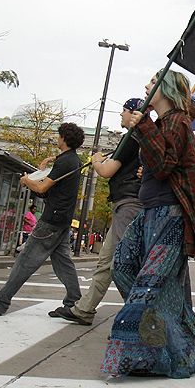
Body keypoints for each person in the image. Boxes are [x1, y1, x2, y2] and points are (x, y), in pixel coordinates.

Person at [101, 70, 195, 379]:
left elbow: (162, 166)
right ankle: (181, 346)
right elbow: (161, 163)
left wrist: (142, 126)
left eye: (152, 83)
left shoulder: (177, 121)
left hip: (170, 215)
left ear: (167, 89)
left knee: (149, 286)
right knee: (123, 267)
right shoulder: (162, 123)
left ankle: (142, 356)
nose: (146, 86)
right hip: (150, 212)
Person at [0, 122, 85, 316]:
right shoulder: (75, 161)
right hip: (63, 220)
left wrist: (26, 181)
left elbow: (41, 188)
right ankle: (75, 303)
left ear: (64, 138)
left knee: (25, 261)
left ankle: (0, 302)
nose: (57, 139)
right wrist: (46, 166)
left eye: (59, 136)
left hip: (51, 220)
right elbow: (53, 188)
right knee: (63, 262)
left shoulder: (64, 162)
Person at [54, 97, 145, 326]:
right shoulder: (141, 138)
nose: (121, 115)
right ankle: (84, 309)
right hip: (127, 204)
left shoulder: (131, 138)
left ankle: (141, 316)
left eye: (124, 111)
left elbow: (106, 171)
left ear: (133, 113)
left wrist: (95, 161)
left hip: (128, 204)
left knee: (122, 262)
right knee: (107, 260)